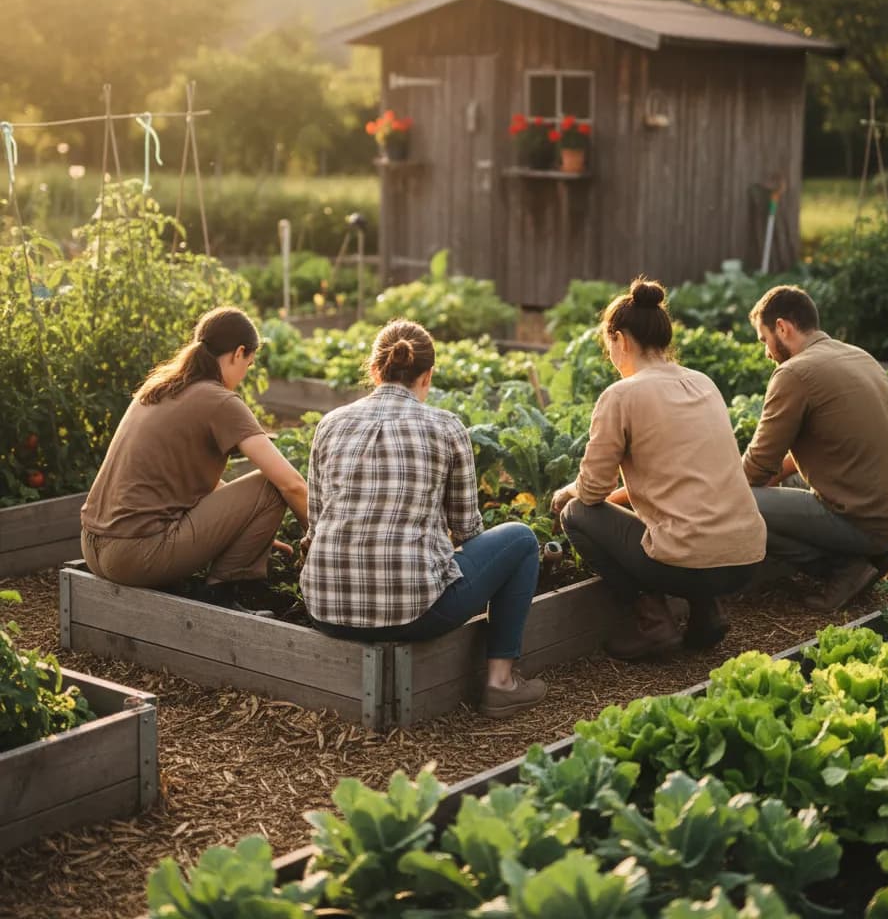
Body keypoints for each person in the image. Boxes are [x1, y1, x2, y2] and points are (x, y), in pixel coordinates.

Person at [300, 319, 545, 720]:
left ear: (375, 370)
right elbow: (467, 529)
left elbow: (315, 524)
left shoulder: (330, 424)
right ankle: (501, 683)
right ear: (427, 376)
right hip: (415, 613)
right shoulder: (445, 427)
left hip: (325, 610)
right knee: (520, 540)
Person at [550, 278, 767, 659]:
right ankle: (706, 615)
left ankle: (655, 626)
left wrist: (565, 492)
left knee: (577, 514)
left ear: (621, 339)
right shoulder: (703, 382)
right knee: (691, 515)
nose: (610, 354)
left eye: (608, 345)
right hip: (747, 557)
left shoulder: (621, 395)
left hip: (688, 563)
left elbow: (592, 492)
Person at [81, 307, 308, 609]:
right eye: (249, 364)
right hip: (135, 556)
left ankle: (235, 576)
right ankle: (229, 592)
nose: (244, 374)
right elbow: (291, 484)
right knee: (271, 486)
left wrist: (249, 533)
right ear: (238, 353)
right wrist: (317, 538)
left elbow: (194, 480)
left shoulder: (159, 387)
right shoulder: (219, 400)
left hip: (93, 546)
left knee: (263, 491)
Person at [742, 284, 888, 610]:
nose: (767, 352)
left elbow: (757, 465)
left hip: (866, 522)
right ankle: (871, 555)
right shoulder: (857, 355)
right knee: (778, 487)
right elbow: (826, 448)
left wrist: (713, 494)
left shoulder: (794, 372)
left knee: (736, 504)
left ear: (782, 327)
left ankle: (844, 568)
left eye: (764, 340)